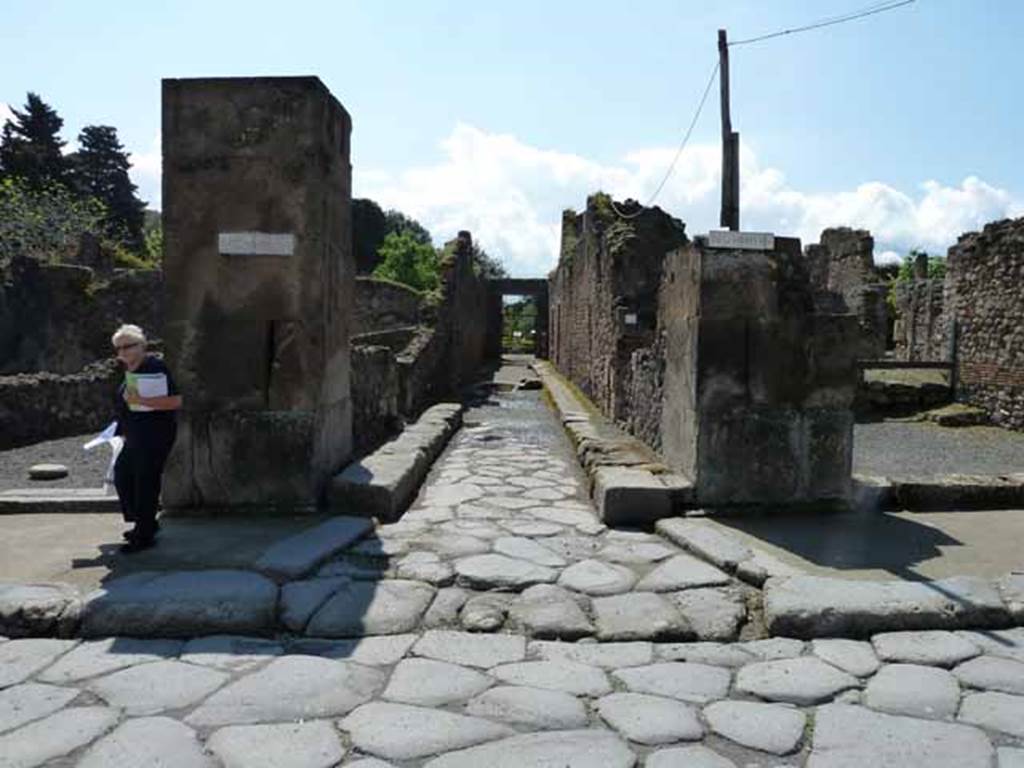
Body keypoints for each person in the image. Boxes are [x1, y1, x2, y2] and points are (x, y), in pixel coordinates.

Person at [111, 324, 182, 553]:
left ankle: (144, 534)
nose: (122, 352)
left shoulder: (154, 367)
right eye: (118, 348)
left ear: (141, 346)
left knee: (145, 482)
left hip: (154, 436)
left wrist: (142, 400)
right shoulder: (131, 369)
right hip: (134, 436)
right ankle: (145, 522)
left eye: (127, 346)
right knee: (123, 475)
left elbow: (175, 401)